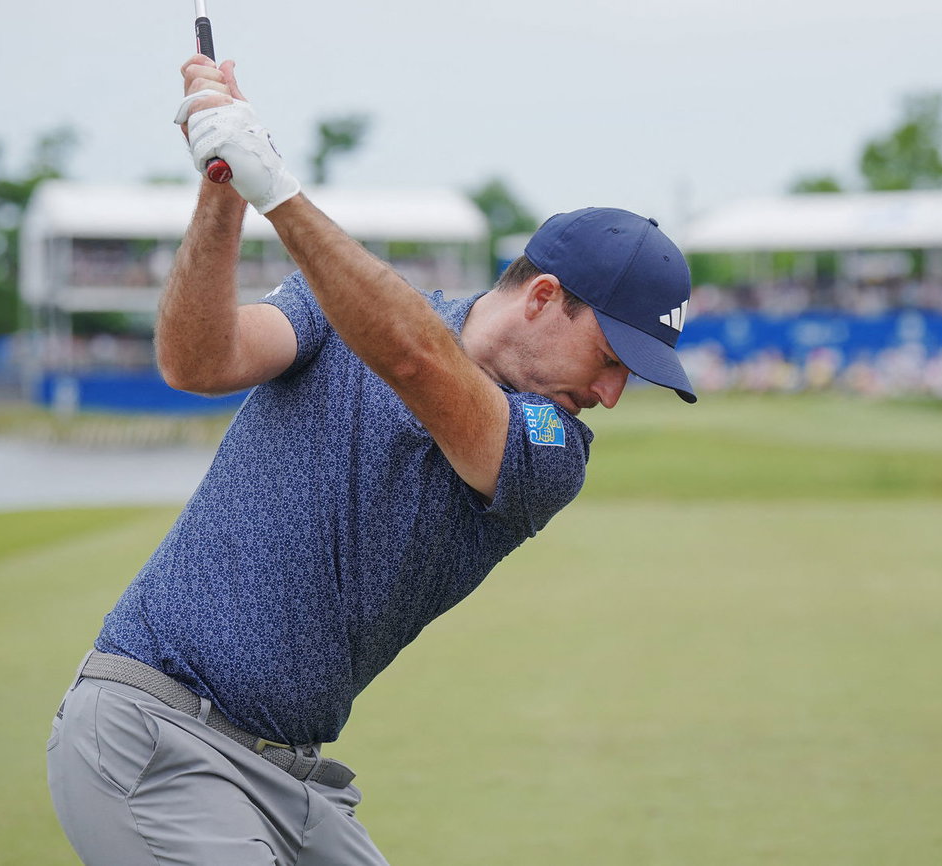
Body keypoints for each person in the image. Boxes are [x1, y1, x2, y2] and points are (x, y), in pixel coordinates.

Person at [45, 55, 697, 866]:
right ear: (541, 298)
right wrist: (223, 186)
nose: (611, 394)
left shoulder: (551, 448)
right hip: (158, 737)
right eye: (610, 358)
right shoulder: (337, 308)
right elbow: (198, 362)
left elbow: (418, 363)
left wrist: (275, 187)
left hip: (292, 782)